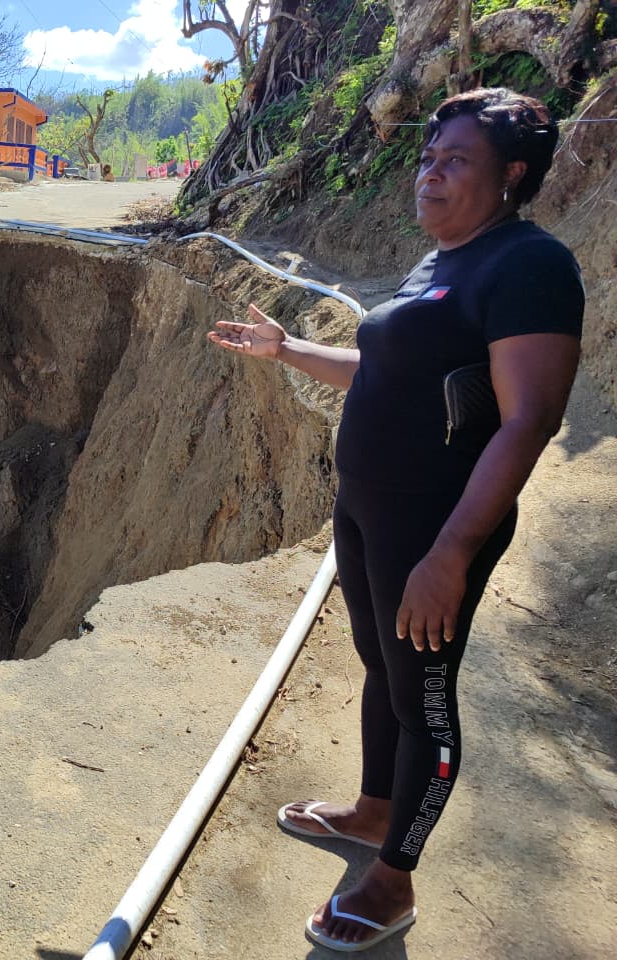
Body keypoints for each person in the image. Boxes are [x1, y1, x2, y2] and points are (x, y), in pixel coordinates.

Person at [207, 87, 584, 952]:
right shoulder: (440, 259)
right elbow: (391, 370)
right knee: (382, 667)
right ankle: (376, 809)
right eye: (428, 157)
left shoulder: (528, 265)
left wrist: (452, 552)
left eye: (456, 161)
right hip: (371, 511)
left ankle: (395, 879)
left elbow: (531, 419)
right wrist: (290, 349)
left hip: (436, 525)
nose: (431, 173)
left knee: (426, 702)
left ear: (512, 175)